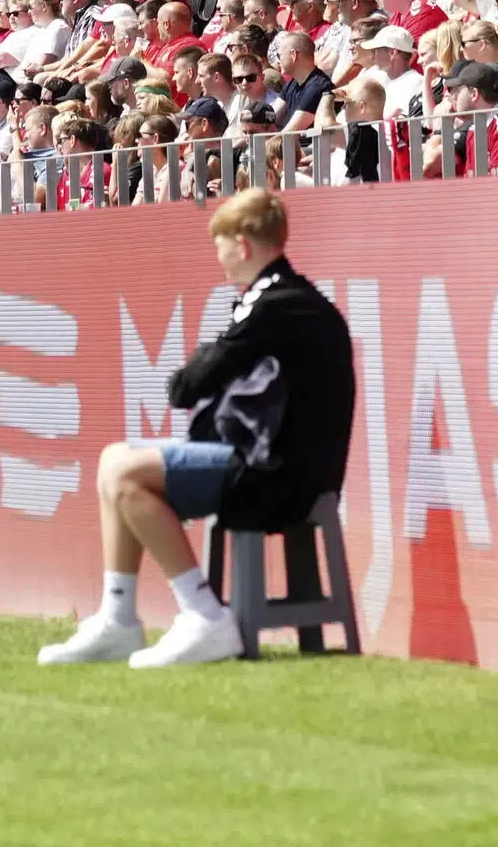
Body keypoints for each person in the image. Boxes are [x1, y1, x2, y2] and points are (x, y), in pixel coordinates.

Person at [40, 186, 357, 670]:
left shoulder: (273, 301)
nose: (219, 256)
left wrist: (200, 368)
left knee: (125, 473)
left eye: (220, 244)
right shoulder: (291, 299)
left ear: (243, 244)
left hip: (277, 477)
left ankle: (204, 613)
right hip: (286, 466)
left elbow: (188, 387)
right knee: (112, 459)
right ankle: (119, 617)